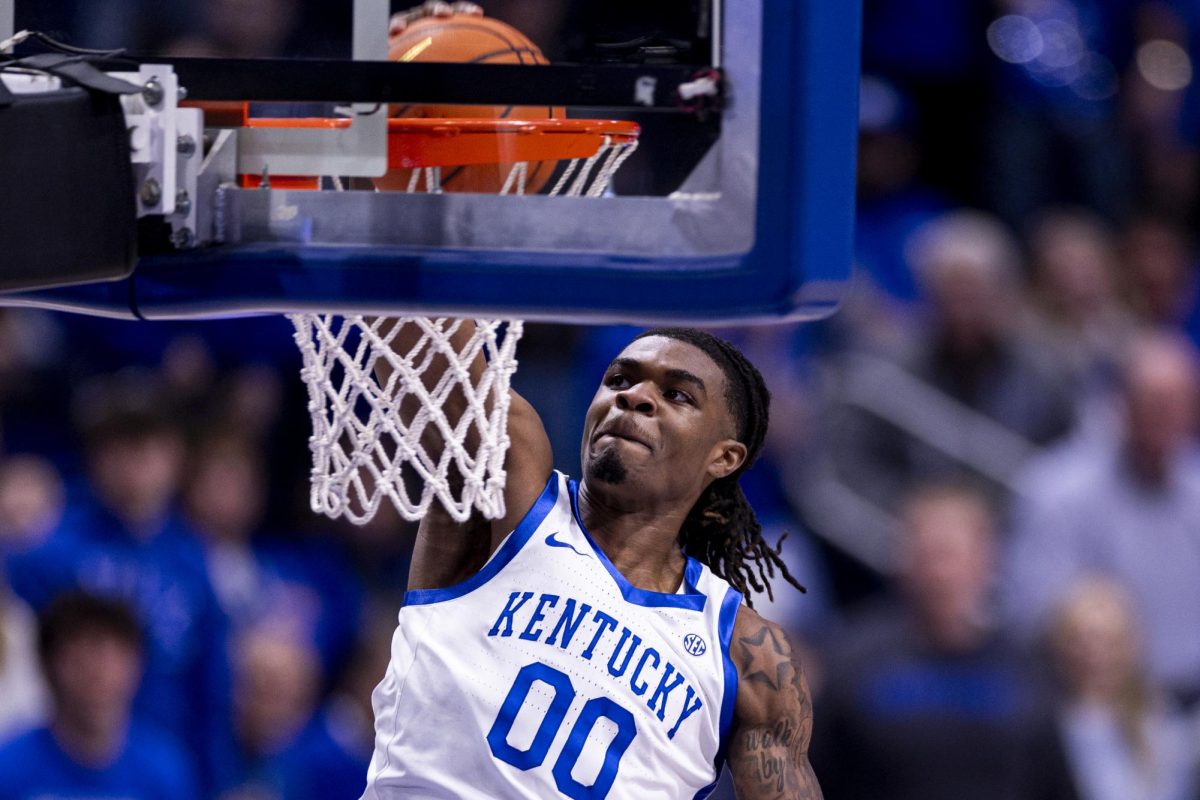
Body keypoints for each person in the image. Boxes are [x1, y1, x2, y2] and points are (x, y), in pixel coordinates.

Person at [359, 313, 820, 795]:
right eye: (619, 379)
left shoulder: (745, 654)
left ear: (724, 457)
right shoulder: (509, 494)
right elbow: (409, 324)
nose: (634, 396)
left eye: (676, 395)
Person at [810, 482, 1074, 800]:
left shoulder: (1027, 671)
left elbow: (1055, 785)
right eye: (926, 554)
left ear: (986, 559)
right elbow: (811, 775)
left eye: (949, 554)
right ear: (903, 559)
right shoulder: (852, 662)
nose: (939, 573)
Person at [0, 592, 197, 799]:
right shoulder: (8, 769)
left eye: (112, 660)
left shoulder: (165, 770)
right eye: (81, 660)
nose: (99, 676)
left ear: (137, 666)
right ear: (48, 666)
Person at [1045, 578, 1196, 800]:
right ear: (1060, 647)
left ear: (1133, 645)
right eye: (1082, 641)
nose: (1096, 655)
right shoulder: (1042, 731)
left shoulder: (1163, 721)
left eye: (1110, 641)